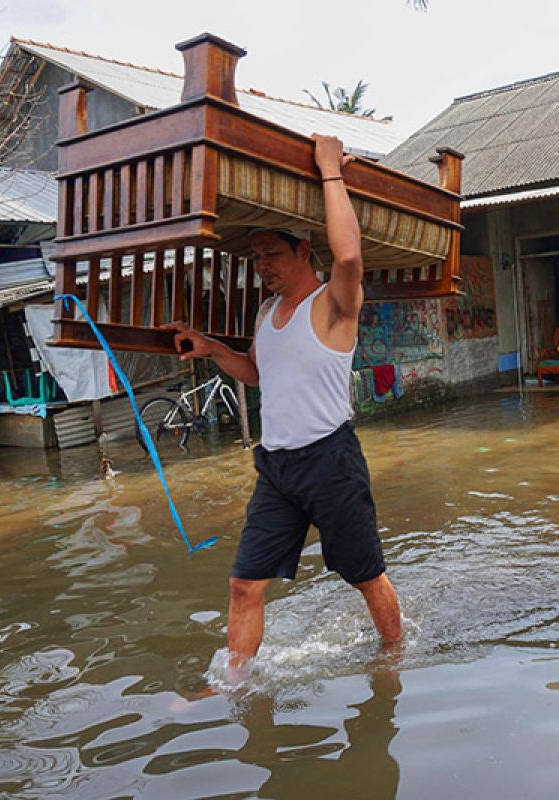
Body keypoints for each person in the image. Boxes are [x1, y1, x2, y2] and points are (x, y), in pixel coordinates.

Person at [164, 134, 402, 681]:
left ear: (303, 252)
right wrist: (214, 348)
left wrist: (329, 172)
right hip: (277, 468)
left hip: (330, 462)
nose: (261, 265)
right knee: (244, 584)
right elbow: (258, 374)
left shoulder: (333, 305)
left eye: (272, 254)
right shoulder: (268, 312)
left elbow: (349, 255)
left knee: (366, 577)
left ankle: (394, 659)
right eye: (256, 257)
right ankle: (235, 686)